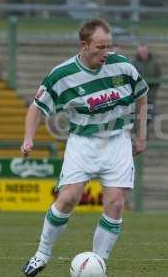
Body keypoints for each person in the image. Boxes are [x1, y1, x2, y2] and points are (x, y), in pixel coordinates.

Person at [21, 18, 148, 276]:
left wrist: (141, 135)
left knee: (115, 203)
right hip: (83, 142)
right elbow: (36, 107)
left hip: (117, 141)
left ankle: (96, 264)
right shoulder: (62, 74)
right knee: (68, 198)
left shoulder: (122, 66)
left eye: (109, 46)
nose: (106, 52)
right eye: (100, 47)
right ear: (84, 45)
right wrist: (28, 138)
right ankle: (41, 254)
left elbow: (142, 96)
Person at [133, 44, 161, 123]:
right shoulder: (134, 63)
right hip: (138, 95)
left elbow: (158, 78)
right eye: (141, 52)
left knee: (149, 116)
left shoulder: (154, 63)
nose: (143, 54)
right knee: (138, 116)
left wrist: (152, 92)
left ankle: (145, 133)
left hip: (150, 95)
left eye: (144, 51)